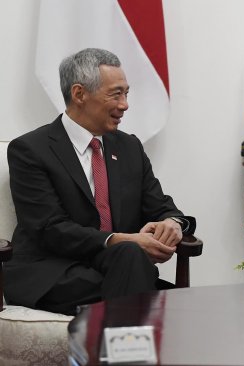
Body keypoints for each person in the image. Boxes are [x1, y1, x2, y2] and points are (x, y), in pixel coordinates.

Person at [4, 48, 196, 315]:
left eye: (126, 93)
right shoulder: (30, 150)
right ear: (79, 94)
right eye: (116, 93)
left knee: (130, 261)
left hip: (116, 266)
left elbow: (161, 206)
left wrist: (172, 224)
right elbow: (50, 229)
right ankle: (129, 338)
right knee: (139, 276)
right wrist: (118, 240)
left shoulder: (129, 147)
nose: (125, 104)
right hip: (56, 270)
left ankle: (112, 352)